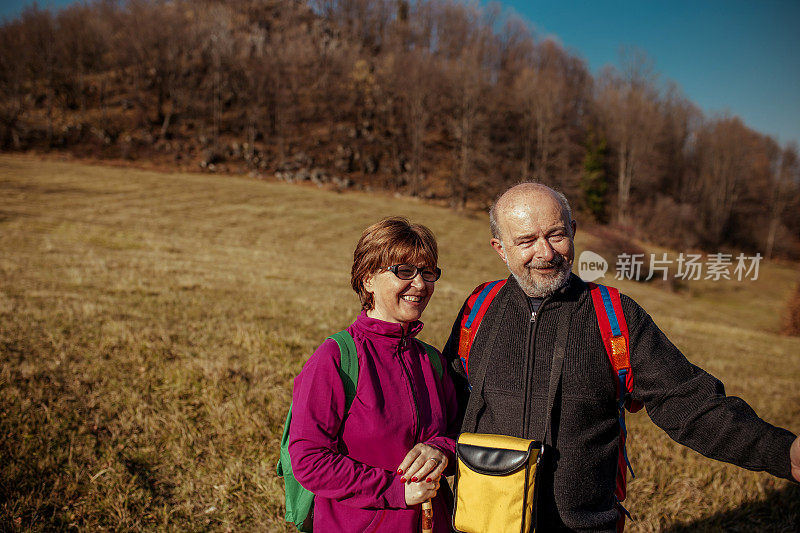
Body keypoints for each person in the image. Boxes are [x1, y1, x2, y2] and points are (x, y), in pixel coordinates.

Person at [442, 183, 800, 532]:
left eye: (556, 234)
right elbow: (443, 401)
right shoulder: (478, 308)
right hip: (482, 519)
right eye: (525, 241)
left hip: (582, 525)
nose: (546, 252)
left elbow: (689, 404)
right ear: (500, 248)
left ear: (574, 232)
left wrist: (784, 452)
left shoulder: (615, 315)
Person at [290, 217, 458, 532]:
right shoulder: (335, 359)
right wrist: (396, 491)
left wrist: (441, 450)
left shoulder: (433, 361)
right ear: (368, 279)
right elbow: (309, 459)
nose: (420, 285)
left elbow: (457, 433)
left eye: (427, 272)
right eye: (404, 271)